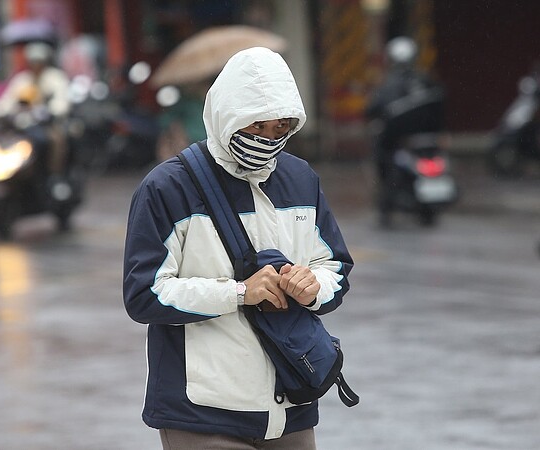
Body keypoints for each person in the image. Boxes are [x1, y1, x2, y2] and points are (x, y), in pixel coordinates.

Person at [123, 47, 354, 449]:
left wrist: (313, 285)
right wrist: (239, 293)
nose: (268, 139)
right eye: (256, 126)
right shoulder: (166, 189)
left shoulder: (301, 179)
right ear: (226, 115)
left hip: (291, 402)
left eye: (280, 127)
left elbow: (334, 264)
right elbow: (144, 293)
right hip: (203, 410)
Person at [365, 36, 445, 226]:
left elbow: (373, 109)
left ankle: (387, 203)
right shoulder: (425, 79)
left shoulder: (389, 84)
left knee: (382, 157)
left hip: (400, 141)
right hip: (423, 139)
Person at [0, 42, 71, 176]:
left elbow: (62, 101)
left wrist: (51, 111)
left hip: (47, 125)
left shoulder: (55, 78)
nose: (36, 65)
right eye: (33, 62)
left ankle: (54, 175)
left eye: (39, 61)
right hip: (21, 125)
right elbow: (8, 100)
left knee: (55, 142)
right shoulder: (22, 80)